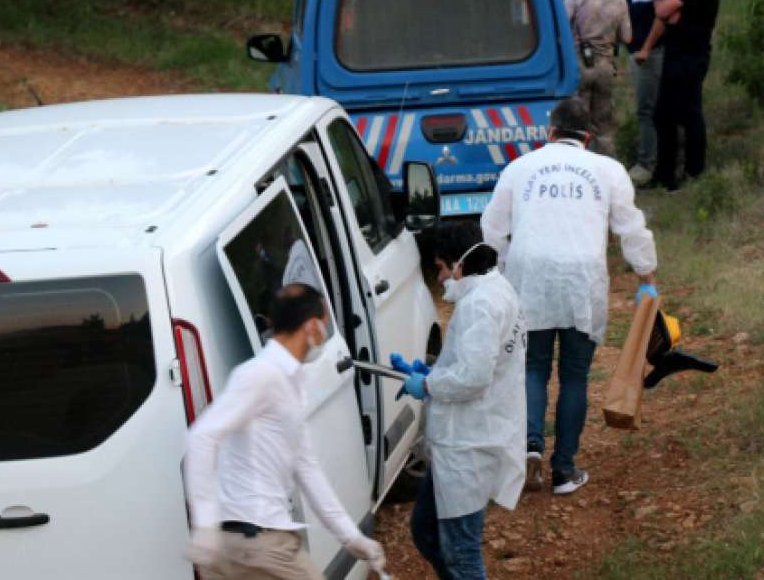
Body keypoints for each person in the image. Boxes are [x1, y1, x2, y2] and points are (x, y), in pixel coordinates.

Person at [480, 98, 658, 496]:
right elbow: (631, 228)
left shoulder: (520, 168)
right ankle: (564, 470)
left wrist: (501, 269)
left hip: (530, 277)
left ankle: (528, 447)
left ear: (550, 132)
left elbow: (491, 228)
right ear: (588, 137)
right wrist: (646, 274)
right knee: (574, 376)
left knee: (533, 369)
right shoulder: (608, 170)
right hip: (583, 278)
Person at [184, 284, 386, 580]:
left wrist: (352, 538)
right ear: (311, 326)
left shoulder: (289, 380)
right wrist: (203, 523)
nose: (325, 333)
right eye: (325, 324)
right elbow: (203, 436)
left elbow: (306, 468)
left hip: (247, 543)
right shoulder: (261, 374)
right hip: (259, 545)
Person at [394, 221, 526, 580]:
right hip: (469, 438)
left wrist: (429, 385)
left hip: (469, 446)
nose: (439, 278)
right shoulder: (495, 290)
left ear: (459, 263)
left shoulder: (479, 306)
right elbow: (478, 360)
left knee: (461, 551)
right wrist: (434, 369)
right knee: (426, 532)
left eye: (439, 267)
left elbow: (473, 377)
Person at [651, 0, 720, 193]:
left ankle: (691, 171)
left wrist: (666, 10)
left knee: (685, 115)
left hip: (686, 59)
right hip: (688, 57)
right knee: (669, 115)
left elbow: (663, 9)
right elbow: (673, 13)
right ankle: (668, 173)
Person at [565, 0, 634, 158]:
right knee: (604, 126)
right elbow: (627, 37)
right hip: (606, 67)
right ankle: (608, 168)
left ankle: (579, 166)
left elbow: (562, 31)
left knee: (577, 122)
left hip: (579, 66)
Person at [624, 0, 675, 186]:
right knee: (646, 109)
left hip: (651, 55)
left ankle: (647, 165)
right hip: (639, 55)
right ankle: (649, 162)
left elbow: (663, 16)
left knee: (648, 110)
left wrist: (646, 48)